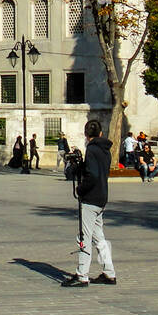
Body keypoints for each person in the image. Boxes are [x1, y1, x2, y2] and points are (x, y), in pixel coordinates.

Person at [61, 119, 117, 287]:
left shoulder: (92, 150)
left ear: (86, 135)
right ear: (100, 133)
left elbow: (91, 175)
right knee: (99, 236)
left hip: (91, 198)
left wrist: (81, 189)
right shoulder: (106, 150)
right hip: (102, 196)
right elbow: (96, 171)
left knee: (84, 236)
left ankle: (82, 275)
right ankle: (109, 272)